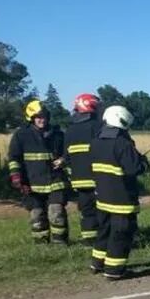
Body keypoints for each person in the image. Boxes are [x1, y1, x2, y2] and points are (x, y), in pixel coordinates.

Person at [90, 105, 148, 279]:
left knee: (104, 231)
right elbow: (134, 169)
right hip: (122, 199)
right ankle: (114, 270)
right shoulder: (122, 144)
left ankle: (97, 263)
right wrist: (143, 163)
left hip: (103, 197)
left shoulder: (96, 141)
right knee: (121, 234)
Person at [7, 100, 69, 244]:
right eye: (39, 117)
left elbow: (69, 152)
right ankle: (41, 245)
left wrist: (63, 160)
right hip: (32, 182)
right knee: (37, 215)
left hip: (55, 180)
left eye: (45, 116)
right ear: (31, 118)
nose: (42, 120)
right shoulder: (21, 135)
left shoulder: (58, 134)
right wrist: (16, 177)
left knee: (56, 212)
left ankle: (61, 243)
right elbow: (14, 158)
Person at [63, 93, 103, 244]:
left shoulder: (70, 130)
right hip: (99, 178)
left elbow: (65, 156)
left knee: (87, 212)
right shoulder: (98, 127)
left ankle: (89, 240)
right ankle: (104, 238)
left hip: (79, 181)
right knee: (103, 209)